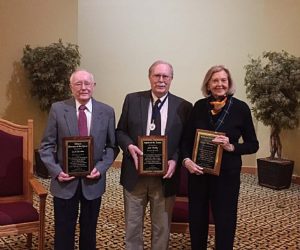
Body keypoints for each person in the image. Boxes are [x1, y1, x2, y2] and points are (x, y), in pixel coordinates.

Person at [116, 60, 192, 250]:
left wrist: (175, 160)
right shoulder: (132, 100)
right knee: (133, 227)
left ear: (171, 79)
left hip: (165, 177)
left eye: (165, 76)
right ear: (149, 77)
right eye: (156, 75)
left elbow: (185, 142)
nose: (161, 80)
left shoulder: (184, 106)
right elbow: (120, 132)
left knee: (162, 228)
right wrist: (129, 146)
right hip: (135, 174)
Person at [181, 65, 259, 250]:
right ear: (208, 84)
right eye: (215, 80)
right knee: (197, 218)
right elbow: (185, 141)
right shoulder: (199, 106)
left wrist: (231, 146)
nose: (219, 84)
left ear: (229, 83)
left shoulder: (240, 108)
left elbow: (253, 144)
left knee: (225, 219)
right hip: (198, 173)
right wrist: (187, 161)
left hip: (227, 175)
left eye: (223, 80)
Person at [39, 69, 118, 250]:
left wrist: (102, 167)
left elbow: (112, 146)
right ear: (71, 87)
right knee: (64, 232)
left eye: (87, 83)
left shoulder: (107, 111)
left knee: (89, 232)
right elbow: (46, 146)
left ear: (94, 86)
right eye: (78, 83)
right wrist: (57, 172)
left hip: (93, 182)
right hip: (65, 182)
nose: (83, 88)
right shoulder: (58, 109)